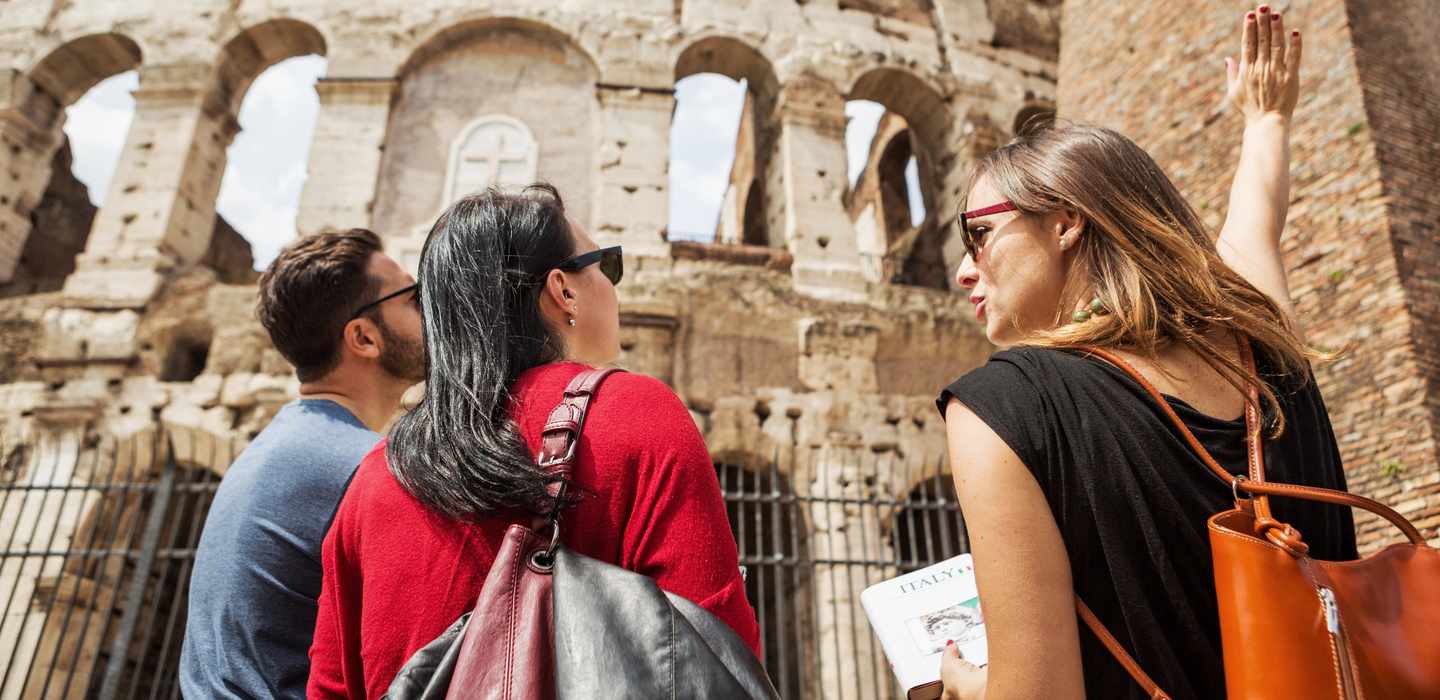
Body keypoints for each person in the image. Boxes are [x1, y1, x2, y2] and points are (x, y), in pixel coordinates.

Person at [935, 6, 1355, 700]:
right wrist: (1267, 118)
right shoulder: (1264, 343)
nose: (964, 270)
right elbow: (1258, 218)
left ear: (1066, 221)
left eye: (976, 234)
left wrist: (969, 686)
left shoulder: (1000, 408)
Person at [307, 184, 761, 698]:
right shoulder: (637, 413)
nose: (614, 286)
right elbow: (717, 655)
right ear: (562, 290)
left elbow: (331, 685)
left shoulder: (374, 476)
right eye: (606, 266)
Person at [180, 229, 424, 699]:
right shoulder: (364, 468)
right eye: (414, 299)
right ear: (364, 337)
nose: (431, 310)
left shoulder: (274, 448)